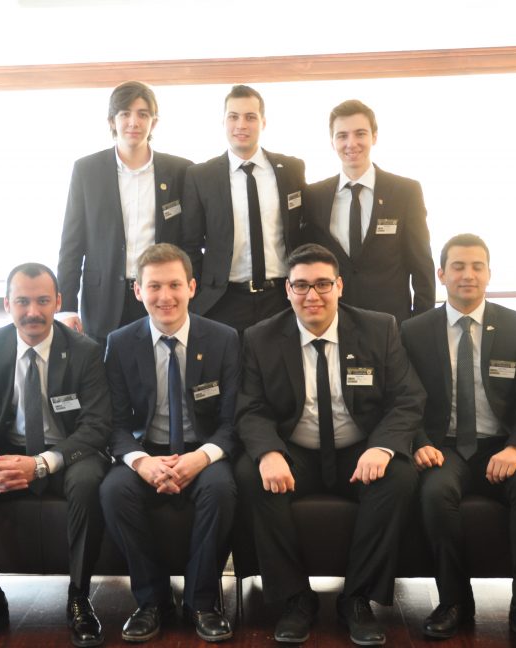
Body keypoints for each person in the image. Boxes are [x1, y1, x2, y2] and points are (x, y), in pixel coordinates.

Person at [235, 243, 424, 646]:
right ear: (287, 290)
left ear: (339, 286)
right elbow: (250, 408)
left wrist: (382, 447)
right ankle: (295, 599)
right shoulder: (260, 338)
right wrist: (269, 452)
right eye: (301, 285)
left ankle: (356, 599)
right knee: (250, 474)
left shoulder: (379, 328)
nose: (312, 295)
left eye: (322, 284)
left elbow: (407, 398)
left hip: (359, 449)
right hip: (296, 451)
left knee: (399, 476)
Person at [0, 263, 112, 647]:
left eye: (43, 301)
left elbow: (96, 427)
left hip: (68, 453)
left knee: (87, 483)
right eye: (23, 302)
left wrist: (41, 464)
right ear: (7, 304)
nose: (33, 311)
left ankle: (79, 597)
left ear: (58, 302)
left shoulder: (85, 351)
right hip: (7, 452)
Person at [399, 234, 516, 648]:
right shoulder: (414, 331)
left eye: (477, 267)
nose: (468, 275)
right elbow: (403, 397)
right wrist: (419, 441)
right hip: (443, 447)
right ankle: (454, 601)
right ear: (441, 274)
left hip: (502, 445)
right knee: (435, 494)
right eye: (458, 266)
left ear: (488, 273)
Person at [102, 243, 240, 643]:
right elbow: (114, 423)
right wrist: (141, 461)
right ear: (137, 291)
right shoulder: (120, 343)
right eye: (154, 286)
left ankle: (202, 602)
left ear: (192, 287)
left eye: (175, 285)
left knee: (221, 490)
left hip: (203, 450)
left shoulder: (224, 339)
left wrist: (201, 458)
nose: (166, 296)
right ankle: (153, 601)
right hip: (147, 451)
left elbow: (233, 421)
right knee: (113, 491)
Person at [58, 80, 193, 344]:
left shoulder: (180, 171)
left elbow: (191, 241)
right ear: (112, 121)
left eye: (143, 114)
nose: (134, 122)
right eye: (125, 114)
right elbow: (71, 244)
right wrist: (67, 307)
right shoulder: (87, 170)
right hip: (103, 299)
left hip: (160, 295)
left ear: (154, 122)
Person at [181, 84, 307, 333]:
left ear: (263, 122)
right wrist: (199, 295)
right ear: (223, 122)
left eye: (250, 117)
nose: (241, 125)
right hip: (223, 301)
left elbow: (303, 231)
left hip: (281, 298)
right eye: (233, 117)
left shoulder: (291, 169)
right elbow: (190, 244)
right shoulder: (201, 176)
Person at [302, 99, 435, 323]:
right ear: (332, 142)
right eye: (342, 136)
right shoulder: (314, 196)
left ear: (374, 137)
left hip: (391, 322)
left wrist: (420, 324)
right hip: (332, 321)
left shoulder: (405, 192)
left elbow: (422, 266)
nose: (351, 143)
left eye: (360, 134)